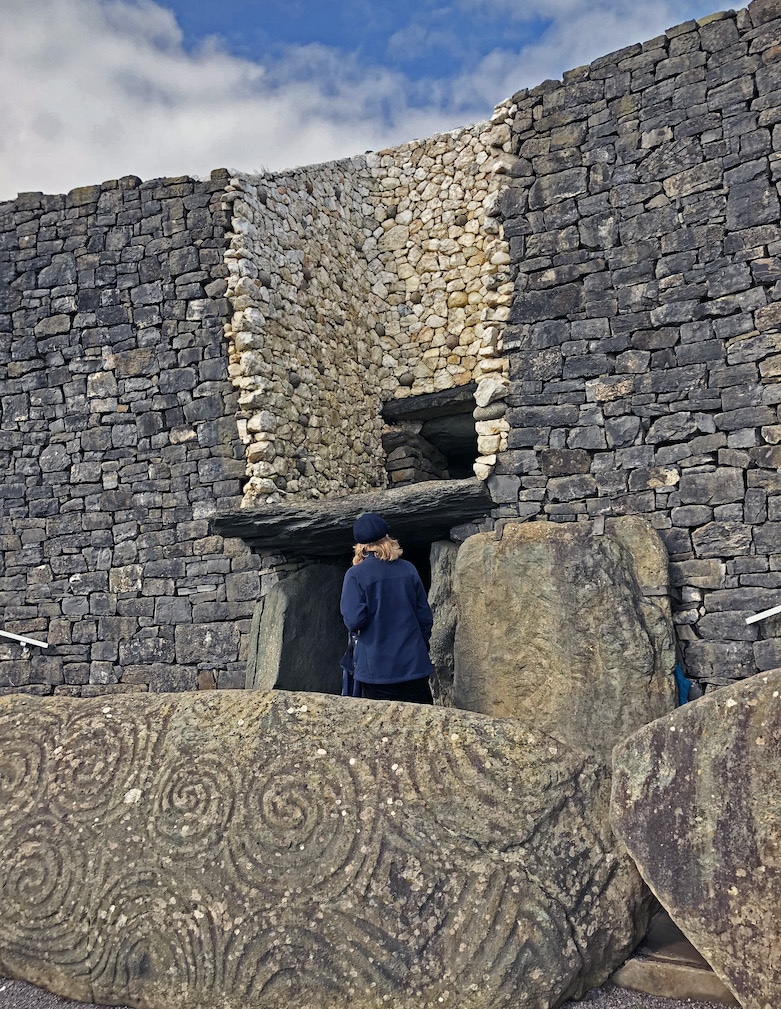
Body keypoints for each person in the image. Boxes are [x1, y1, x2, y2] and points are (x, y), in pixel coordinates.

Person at [340, 513, 434, 704]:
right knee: (421, 726)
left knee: (383, 729)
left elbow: (354, 620)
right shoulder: (408, 569)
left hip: (376, 668)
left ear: (360, 547)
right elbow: (425, 617)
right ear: (388, 539)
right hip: (414, 664)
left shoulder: (355, 575)